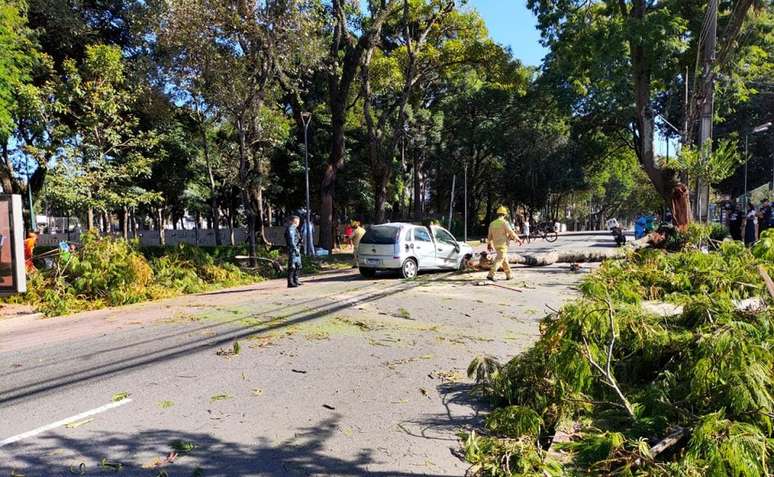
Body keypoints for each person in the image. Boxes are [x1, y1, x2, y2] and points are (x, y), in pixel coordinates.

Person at [487, 206, 523, 282]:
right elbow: (511, 232)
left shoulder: (492, 224)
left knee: (504, 260)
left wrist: (489, 244)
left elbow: (489, 236)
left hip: (496, 244)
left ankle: (509, 275)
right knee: (499, 260)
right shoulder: (504, 222)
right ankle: (491, 275)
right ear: (504, 215)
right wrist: (518, 239)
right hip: (503, 244)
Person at [284, 216, 302, 288]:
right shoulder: (291, 228)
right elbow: (291, 240)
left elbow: (296, 238)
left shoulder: (295, 229)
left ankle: (296, 280)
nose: (298, 223)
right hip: (293, 249)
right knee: (292, 266)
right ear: (294, 221)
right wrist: (295, 249)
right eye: (297, 221)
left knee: (298, 265)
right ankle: (290, 282)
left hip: (297, 249)